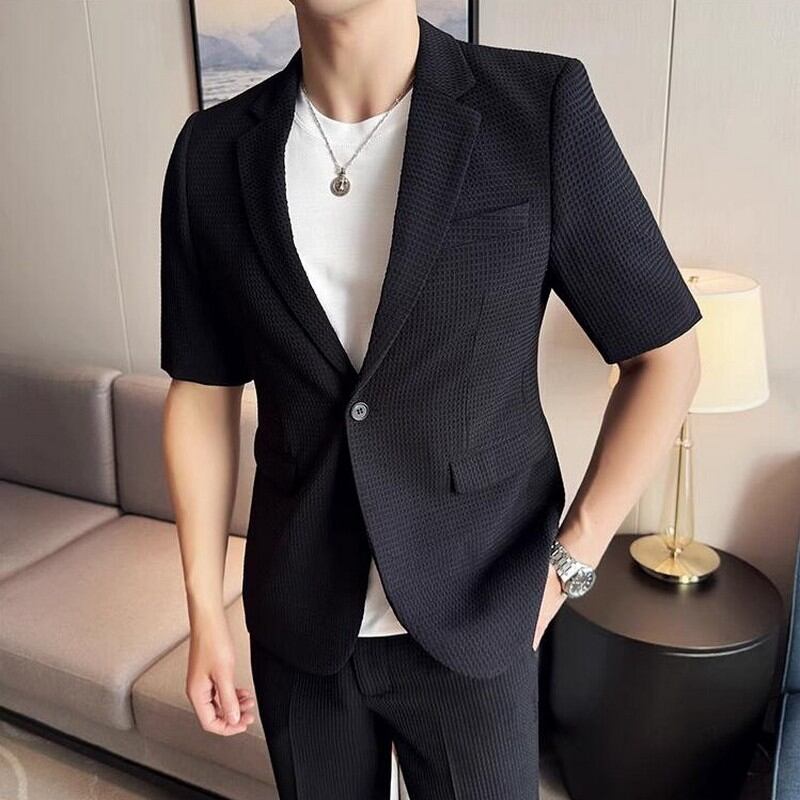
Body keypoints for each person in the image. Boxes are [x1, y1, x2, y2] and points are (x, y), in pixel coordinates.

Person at [159, 2, 702, 798]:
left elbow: (665, 358)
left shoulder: (538, 107)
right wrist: (205, 609)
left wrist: (568, 565)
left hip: (479, 613)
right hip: (298, 621)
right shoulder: (210, 151)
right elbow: (202, 393)